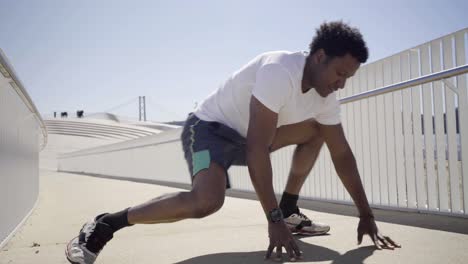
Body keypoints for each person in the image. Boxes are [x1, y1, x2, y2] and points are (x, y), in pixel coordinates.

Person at [65, 21, 400, 264]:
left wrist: (366, 213)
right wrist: (272, 221)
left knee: (318, 131)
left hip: (250, 137)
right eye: (339, 74)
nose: (341, 84)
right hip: (208, 130)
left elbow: (342, 155)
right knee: (205, 202)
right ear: (319, 57)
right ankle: (107, 223)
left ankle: (289, 208)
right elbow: (257, 149)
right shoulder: (279, 70)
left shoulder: (326, 97)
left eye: (348, 78)